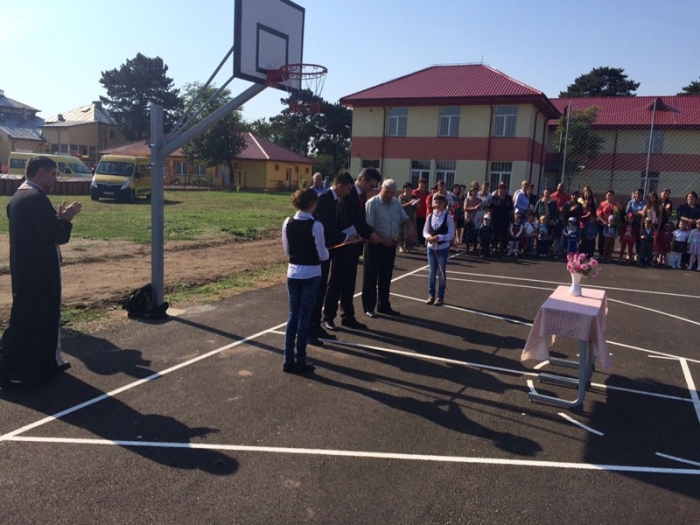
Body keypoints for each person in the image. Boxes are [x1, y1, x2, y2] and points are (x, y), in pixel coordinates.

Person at [0, 156, 82, 387]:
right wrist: (65, 221)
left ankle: (38, 366)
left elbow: (39, 229)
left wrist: (57, 220)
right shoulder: (35, 199)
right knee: (34, 320)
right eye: (53, 174)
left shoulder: (19, 196)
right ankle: (11, 368)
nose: (55, 179)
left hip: (26, 269)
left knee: (31, 320)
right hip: (40, 272)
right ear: (41, 173)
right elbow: (57, 235)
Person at [281, 189, 330, 374]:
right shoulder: (316, 225)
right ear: (312, 204)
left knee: (293, 315)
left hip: (293, 273)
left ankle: (288, 358)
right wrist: (326, 252)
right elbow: (323, 255)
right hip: (311, 273)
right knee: (304, 317)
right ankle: (300, 360)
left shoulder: (287, 222)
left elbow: (287, 251)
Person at [309, 173, 358, 343]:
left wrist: (349, 235)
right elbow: (326, 225)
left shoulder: (338, 200)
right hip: (323, 249)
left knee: (327, 285)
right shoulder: (324, 199)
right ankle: (313, 326)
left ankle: (318, 324)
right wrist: (345, 237)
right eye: (348, 189)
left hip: (334, 248)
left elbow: (337, 224)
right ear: (339, 185)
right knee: (319, 288)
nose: (349, 193)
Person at [362, 179, 414, 318]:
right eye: (387, 192)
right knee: (371, 277)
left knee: (386, 277)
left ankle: (384, 305)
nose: (389, 195)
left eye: (392, 192)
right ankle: (369, 307)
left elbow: (405, 219)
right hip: (375, 244)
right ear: (381, 189)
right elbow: (368, 226)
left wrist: (410, 228)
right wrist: (382, 240)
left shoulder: (395, 203)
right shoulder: (372, 203)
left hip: (390, 245)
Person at [423, 194, 454, 306]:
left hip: (443, 248)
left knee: (441, 272)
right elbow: (425, 231)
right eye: (436, 202)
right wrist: (429, 237)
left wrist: (440, 237)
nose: (438, 204)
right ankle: (431, 295)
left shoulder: (448, 217)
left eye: (440, 203)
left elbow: (451, 234)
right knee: (432, 272)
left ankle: (440, 296)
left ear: (444, 204)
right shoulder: (430, 216)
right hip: (431, 248)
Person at [596, 190, 623, 257]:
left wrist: (617, 222)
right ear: (606, 196)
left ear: (613, 196)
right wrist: (603, 221)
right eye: (608, 195)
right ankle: (601, 253)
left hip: (613, 226)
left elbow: (621, 212)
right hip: (604, 224)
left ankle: (609, 255)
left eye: (611, 195)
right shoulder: (602, 204)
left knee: (611, 241)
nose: (609, 196)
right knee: (602, 239)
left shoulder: (616, 204)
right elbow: (598, 214)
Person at [489, 182, 513, 255]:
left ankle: (502, 248)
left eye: (503, 189)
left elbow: (511, 209)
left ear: (505, 190)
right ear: (497, 189)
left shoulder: (508, 198)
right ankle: (494, 247)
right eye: (500, 189)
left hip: (505, 219)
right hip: (495, 218)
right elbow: (491, 208)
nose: (501, 190)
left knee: (504, 234)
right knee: (495, 233)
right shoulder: (494, 198)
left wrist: (512, 217)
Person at [398, 182, 418, 252]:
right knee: (401, 231)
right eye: (406, 188)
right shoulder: (401, 196)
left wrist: (416, 203)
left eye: (409, 188)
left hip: (411, 215)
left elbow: (417, 207)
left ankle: (408, 246)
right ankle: (401, 246)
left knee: (410, 231)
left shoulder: (414, 196)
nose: (407, 189)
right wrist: (409, 203)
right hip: (402, 215)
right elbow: (400, 206)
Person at [411, 178, 431, 246]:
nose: (422, 186)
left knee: (424, 228)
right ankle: (418, 242)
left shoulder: (427, 193)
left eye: (423, 185)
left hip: (425, 214)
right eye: (420, 185)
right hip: (417, 214)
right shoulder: (415, 192)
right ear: (418, 184)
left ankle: (422, 242)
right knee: (418, 228)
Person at [464, 187, 482, 253]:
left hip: (476, 219)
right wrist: (474, 208)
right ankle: (467, 247)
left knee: (475, 234)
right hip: (468, 219)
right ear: (471, 192)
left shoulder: (479, 200)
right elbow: (465, 208)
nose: (475, 193)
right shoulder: (467, 199)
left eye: (476, 192)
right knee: (467, 234)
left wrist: (479, 207)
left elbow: (481, 210)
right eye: (474, 192)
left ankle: (475, 247)